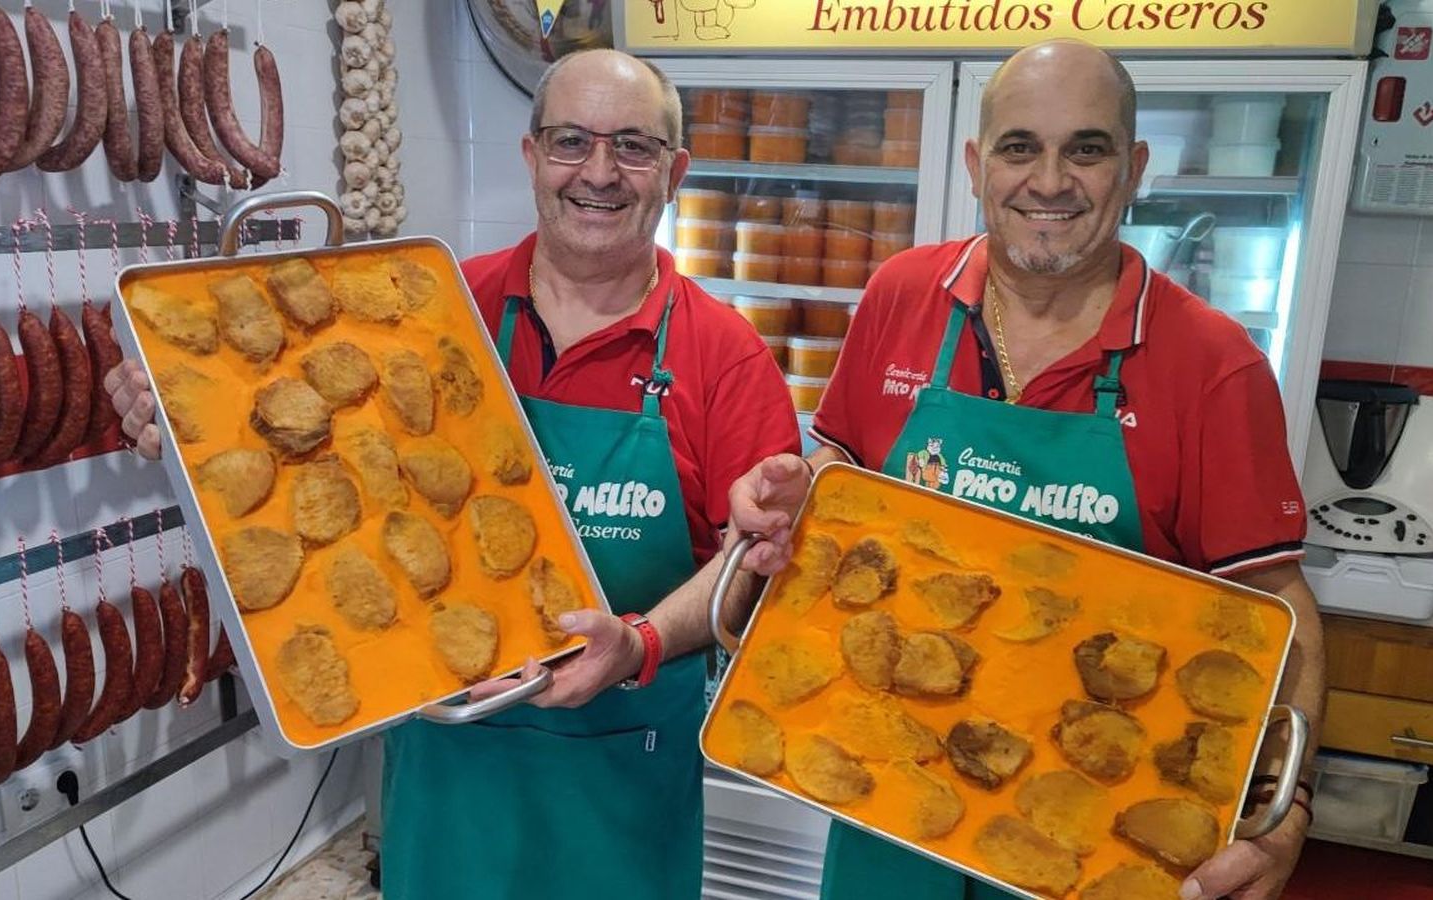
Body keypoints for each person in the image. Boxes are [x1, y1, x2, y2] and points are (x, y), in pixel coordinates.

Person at [105, 48, 800, 899]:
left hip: (621, 782)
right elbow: (311, 462)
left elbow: (753, 578)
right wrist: (179, 424)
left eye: (633, 147)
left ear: (675, 171)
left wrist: (640, 643)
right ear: (532, 155)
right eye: (571, 141)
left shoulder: (725, 355)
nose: (599, 172)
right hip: (446, 771)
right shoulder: (435, 307)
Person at [725, 39, 1325, 900]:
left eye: (1086, 147)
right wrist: (792, 492)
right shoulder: (901, 294)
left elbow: (1279, 603)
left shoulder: (1213, 363)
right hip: (890, 798)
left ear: (1134, 166)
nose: (1049, 181)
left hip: (1095, 835)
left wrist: (1287, 807)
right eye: (1019, 148)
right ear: (976, 165)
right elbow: (840, 474)